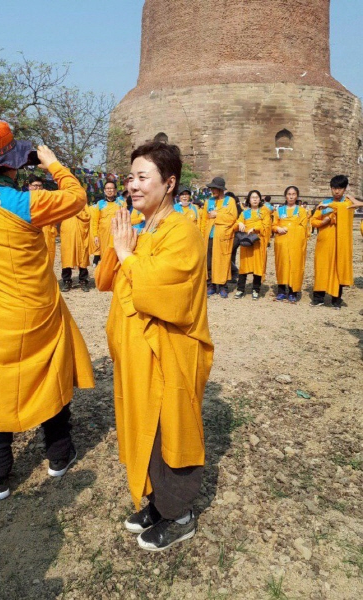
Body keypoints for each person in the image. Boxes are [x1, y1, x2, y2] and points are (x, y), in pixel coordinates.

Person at [0, 121, 95, 501]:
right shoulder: (30, 203)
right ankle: (58, 456)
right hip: (34, 314)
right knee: (49, 376)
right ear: (13, 164)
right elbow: (78, 198)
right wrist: (52, 163)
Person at [96, 141, 213, 552]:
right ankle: (156, 503)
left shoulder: (182, 231)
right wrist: (121, 249)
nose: (132, 185)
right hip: (137, 354)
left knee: (170, 429)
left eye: (143, 177)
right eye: (130, 177)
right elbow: (108, 279)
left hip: (170, 352)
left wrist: (127, 256)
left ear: (169, 183)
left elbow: (164, 290)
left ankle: (179, 514)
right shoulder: (146, 227)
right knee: (143, 424)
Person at [310, 175, 363, 309]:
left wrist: (351, 199)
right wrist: (323, 222)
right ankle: (318, 297)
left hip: (340, 243)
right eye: (334, 188)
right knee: (321, 268)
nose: (337, 191)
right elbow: (313, 221)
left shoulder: (347, 204)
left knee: (337, 269)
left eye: (340, 188)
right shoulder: (324, 203)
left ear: (345, 189)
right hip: (324, 242)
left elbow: (348, 206)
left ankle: (336, 299)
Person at [200, 177, 238, 298]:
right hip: (209, 237)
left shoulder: (230, 201)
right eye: (211, 188)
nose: (212, 190)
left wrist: (217, 214)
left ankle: (223, 286)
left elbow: (232, 218)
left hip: (223, 236)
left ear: (221, 189)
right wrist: (202, 235)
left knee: (223, 261)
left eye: (214, 188)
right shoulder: (208, 201)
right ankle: (210, 284)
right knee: (209, 262)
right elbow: (204, 220)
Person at [272, 186, 308, 303]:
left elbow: (304, 228)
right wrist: (278, 228)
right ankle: (282, 291)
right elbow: (273, 225)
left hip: (296, 243)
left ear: (297, 196)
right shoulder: (279, 210)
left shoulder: (301, 211)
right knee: (282, 265)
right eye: (289, 194)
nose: (291, 196)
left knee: (295, 266)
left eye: (293, 194)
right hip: (282, 243)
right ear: (285, 196)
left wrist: (292, 230)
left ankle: (293, 291)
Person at [233, 190, 270, 300]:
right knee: (244, 266)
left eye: (257, 197)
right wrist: (239, 223)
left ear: (260, 199)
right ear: (249, 200)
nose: (254, 199)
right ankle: (240, 289)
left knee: (257, 266)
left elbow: (267, 226)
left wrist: (255, 228)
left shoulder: (265, 212)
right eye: (252, 197)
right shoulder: (244, 213)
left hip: (258, 242)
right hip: (247, 243)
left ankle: (256, 289)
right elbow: (236, 225)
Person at [60, 205, 92, 292]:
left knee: (82, 255)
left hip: (81, 232)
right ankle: (67, 281)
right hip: (67, 231)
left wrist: (77, 211)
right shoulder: (65, 200)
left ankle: (83, 280)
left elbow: (88, 216)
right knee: (67, 255)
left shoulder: (81, 202)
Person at [92, 180, 125, 263]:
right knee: (105, 257)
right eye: (107, 188)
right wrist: (95, 235)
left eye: (111, 188)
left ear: (115, 190)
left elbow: (125, 219)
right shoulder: (100, 204)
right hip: (103, 235)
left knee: (116, 257)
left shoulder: (121, 203)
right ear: (104, 190)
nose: (109, 190)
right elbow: (95, 221)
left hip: (117, 234)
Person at [27, 174, 58, 266]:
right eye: (35, 186)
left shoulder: (48, 197)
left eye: (40, 186)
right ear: (29, 187)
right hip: (30, 233)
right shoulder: (25, 198)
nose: (38, 188)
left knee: (48, 259)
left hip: (47, 232)